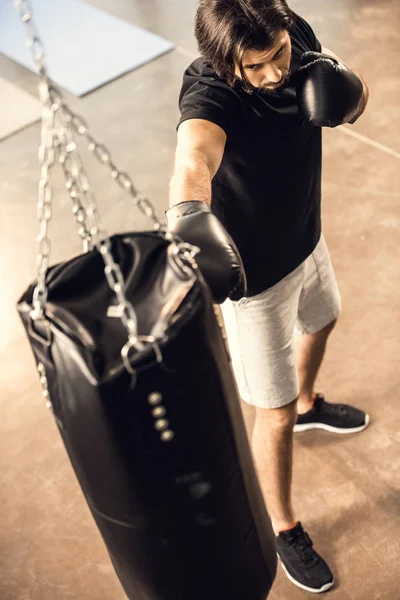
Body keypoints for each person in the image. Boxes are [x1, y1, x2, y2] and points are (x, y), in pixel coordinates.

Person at [167, 0, 370, 593]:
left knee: (325, 318)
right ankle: (283, 526)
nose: (275, 74)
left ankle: (310, 403)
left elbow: (340, 90)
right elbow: (193, 158)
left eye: (278, 55)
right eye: (255, 67)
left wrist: (348, 89)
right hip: (253, 278)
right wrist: (187, 212)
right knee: (271, 414)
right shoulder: (210, 91)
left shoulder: (289, 32)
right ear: (225, 60)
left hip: (306, 234)